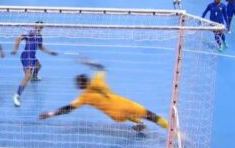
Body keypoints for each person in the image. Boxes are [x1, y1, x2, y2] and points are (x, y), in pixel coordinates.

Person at [39, 59, 169, 132]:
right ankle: (172, 130)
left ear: (81, 86)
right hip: (124, 104)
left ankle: (140, 124)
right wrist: (88, 62)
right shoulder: (98, 79)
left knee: (127, 116)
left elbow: (68, 109)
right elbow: (101, 68)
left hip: (116, 116)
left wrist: (50, 113)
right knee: (151, 116)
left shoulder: (84, 97)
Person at [11, 21, 58, 107]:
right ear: (34, 26)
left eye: (41, 27)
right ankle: (17, 95)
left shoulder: (40, 37)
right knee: (27, 76)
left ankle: (34, 77)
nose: (39, 28)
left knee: (39, 66)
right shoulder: (30, 33)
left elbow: (41, 47)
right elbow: (18, 38)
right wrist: (15, 49)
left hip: (32, 57)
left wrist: (50, 52)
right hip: (26, 56)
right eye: (37, 26)